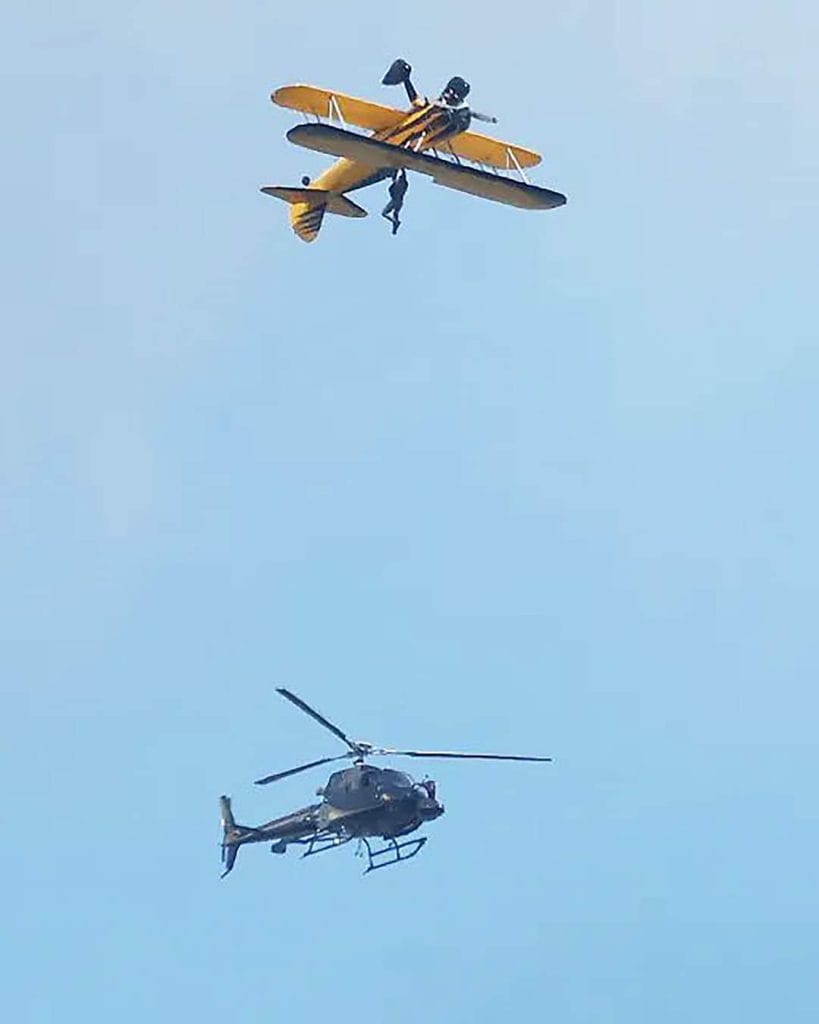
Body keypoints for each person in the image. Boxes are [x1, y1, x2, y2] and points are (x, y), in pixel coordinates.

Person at [381, 169, 409, 235]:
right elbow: (398, 178)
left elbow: (398, 178)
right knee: (395, 214)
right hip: (400, 202)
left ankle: (395, 222)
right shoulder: (402, 185)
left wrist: (401, 168)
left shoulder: (400, 184)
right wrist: (401, 168)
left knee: (384, 213)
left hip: (395, 201)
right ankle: (395, 227)